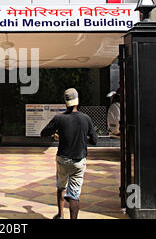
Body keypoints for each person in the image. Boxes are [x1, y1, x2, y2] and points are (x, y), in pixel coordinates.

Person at [40, 88, 97, 219]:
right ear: (78, 102)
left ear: (65, 102)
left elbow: (43, 133)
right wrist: (83, 138)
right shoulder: (86, 119)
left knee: (61, 187)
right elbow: (94, 140)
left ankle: (60, 215)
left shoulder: (59, 118)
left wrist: (56, 135)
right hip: (78, 161)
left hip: (63, 160)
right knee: (74, 195)